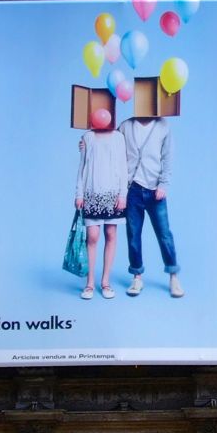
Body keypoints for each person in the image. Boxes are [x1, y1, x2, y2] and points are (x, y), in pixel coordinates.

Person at [120, 115, 183, 297]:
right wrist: (85, 145)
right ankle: (137, 277)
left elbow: (168, 156)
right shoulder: (126, 125)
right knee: (133, 235)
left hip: (155, 190)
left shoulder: (163, 125)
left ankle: (173, 277)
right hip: (132, 189)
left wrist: (163, 184)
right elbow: (113, 149)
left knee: (164, 234)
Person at [76, 108, 127, 299]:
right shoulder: (87, 137)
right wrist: (79, 193)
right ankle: (89, 283)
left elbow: (123, 167)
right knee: (92, 236)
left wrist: (123, 195)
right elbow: (82, 167)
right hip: (92, 193)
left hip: (113, 194)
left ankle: (105, 282)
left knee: (111, 234)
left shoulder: (118, 137)